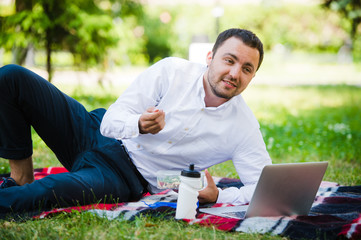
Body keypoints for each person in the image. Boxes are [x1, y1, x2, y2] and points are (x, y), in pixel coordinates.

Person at [0, 28, 271, 215]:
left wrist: (218, 197)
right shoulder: (172, 71)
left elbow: (265, 191)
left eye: (246, 69)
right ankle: (20, 176)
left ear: (252, 77)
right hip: (93, 132)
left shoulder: (243, 126)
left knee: (48, 190)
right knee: (12, 77)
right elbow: (111, 122)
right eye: (229, 60)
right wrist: (138, 124)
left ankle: (16, 194)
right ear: (210, 58)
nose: (235, 73)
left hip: (123, 177)